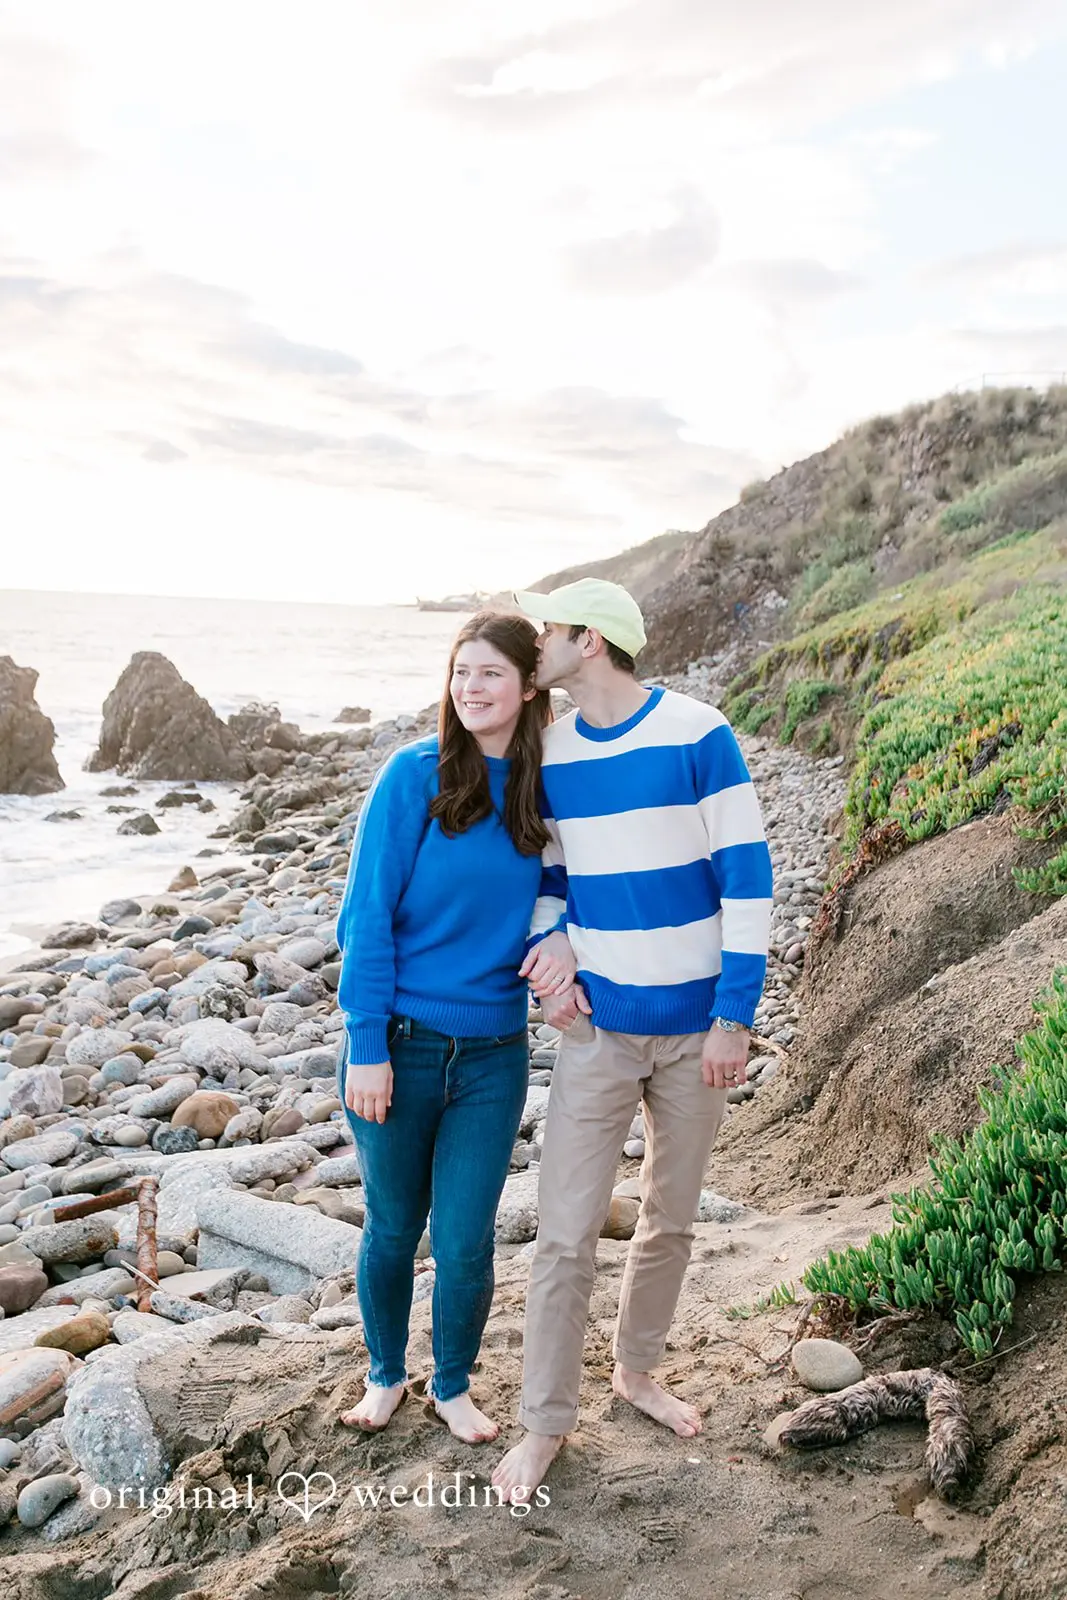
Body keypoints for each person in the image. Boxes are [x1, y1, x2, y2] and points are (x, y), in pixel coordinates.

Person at [492, 578, 774, 1500]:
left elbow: (749, 883)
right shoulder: (551, 747)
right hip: (599, 1032)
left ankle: (636, 1371)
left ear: (592, 642)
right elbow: (551, 874)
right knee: (565, 1235)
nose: (536, 646)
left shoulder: (699, 733)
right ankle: (544, 1424)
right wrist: (550, 953)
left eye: (547, 631)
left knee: (670, 1221)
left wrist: (735, 1018)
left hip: (698, 1036)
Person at [336, 611, 575, 1444]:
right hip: (397, 1045)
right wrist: (365, 1046)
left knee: (467, 1240)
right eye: (459, 672)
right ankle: (384, 1375)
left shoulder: (545, 788)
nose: (469, 689)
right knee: (394, 1226)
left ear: (528, 688)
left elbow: (579, 885)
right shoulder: (413, 777)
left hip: (493, 1057)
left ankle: (452, 1384)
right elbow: (364, 920)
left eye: (489, 675)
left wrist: (564, 941)